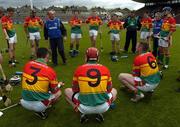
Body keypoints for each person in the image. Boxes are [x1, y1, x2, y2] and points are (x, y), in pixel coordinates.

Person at [65, 47, 117, 123]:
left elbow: (75, 90)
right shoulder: (105, 69)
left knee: (67, 91)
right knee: (114, 91)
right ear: (98, 58)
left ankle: (82, 113)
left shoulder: (79, 69)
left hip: (83, 107)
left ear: (86, 57)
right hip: (103, 107)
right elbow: (109, 89)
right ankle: (100, 113)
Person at [20, 47, 63, 119]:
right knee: (59, 93)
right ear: (47, 56)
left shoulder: (27, 64)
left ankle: (40, 108)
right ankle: (42, 110)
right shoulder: (50, 70)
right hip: (39, 105)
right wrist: (59, 85)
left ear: (37, 56)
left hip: (23, 101)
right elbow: (54, 90)